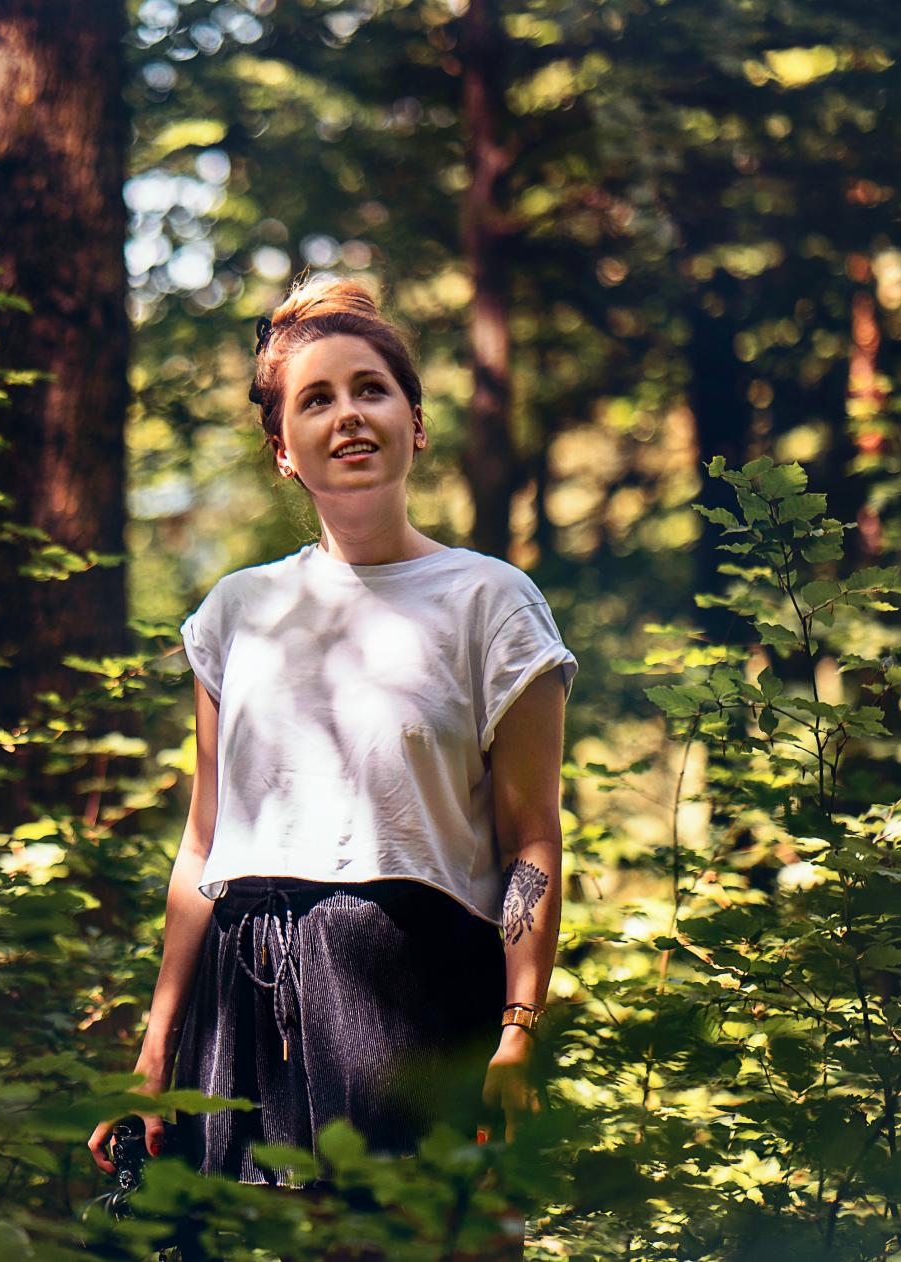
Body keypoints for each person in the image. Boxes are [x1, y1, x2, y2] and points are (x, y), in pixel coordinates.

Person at [87, 275, 577, 1236]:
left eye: (370, 389)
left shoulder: (491, 604)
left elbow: (532, 846)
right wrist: (151, 1063)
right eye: (316, 399)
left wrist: (518, 1031)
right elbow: (204, 850)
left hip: (423, 992)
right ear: (282, 452)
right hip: (251, 999)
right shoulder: (234, 613)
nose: (347, 416)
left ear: (415, 423)